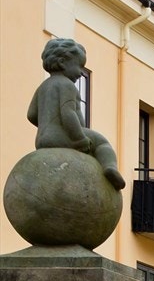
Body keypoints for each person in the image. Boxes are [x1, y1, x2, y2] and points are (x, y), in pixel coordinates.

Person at [28, 37, 125, 190]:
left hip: (42, 140)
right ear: (62, 62)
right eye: (79, 66)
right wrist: (79, 138)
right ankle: (110, 167)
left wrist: (47, 125)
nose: (81, 72)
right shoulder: (67, 85)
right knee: (101, 142)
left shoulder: (42, 87)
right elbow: (68, 113)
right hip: (64, 136)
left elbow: (31, 114)